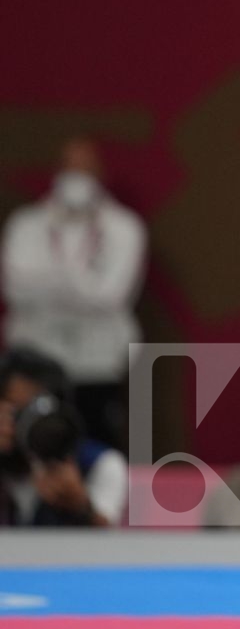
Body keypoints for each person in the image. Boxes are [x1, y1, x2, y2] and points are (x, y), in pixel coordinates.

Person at [2, 136, 145, 450]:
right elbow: (14, 289)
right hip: (35, 361)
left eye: (85, 168)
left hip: (96, 364)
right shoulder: (25, 225)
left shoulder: (124, 228)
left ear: (100, 173)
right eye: (69, 166)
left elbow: (111, 296)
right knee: (27, 449)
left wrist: (50, 282)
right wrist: (81, 286)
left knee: (95, 448)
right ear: (56, 170)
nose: (75, 177)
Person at [0, 345, 126, 527]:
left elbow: (107, 544)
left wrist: (79, 504)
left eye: (35, 412)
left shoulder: (101, 463)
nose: (26, 425)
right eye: (17, 412)